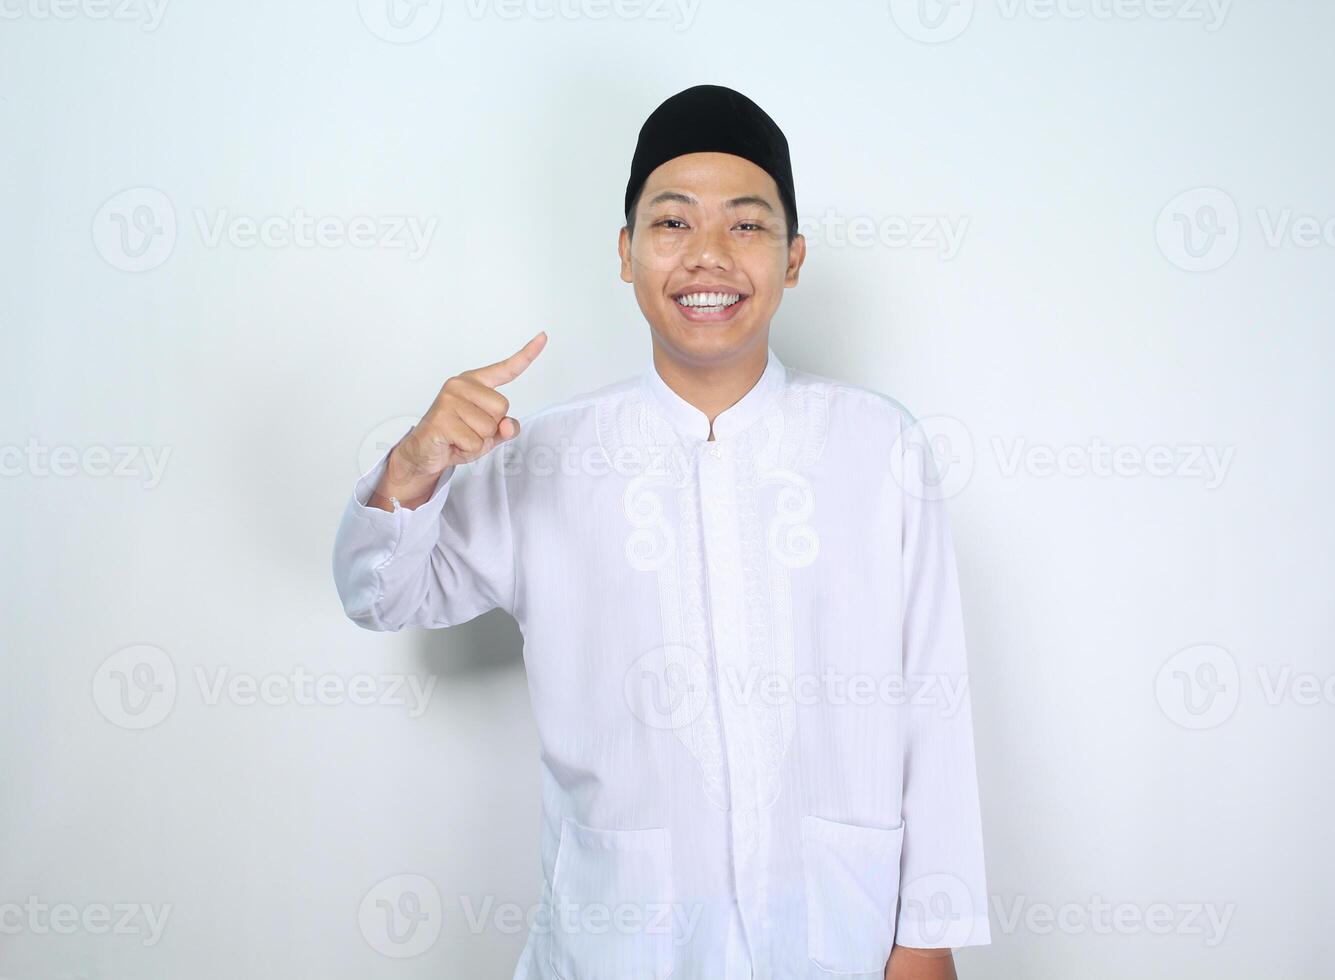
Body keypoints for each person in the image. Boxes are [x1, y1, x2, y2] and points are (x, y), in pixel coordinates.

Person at [332, 83, 991, 980]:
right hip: (618, 943)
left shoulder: (879, 449)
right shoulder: (546, 456)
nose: (709, 256)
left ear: (794, 259)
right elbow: (381, 595)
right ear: (626, 252)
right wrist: (415, 465)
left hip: (838, 933)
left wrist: (927, 935)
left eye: (748, 226)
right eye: (672, 223)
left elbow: (933, 703)